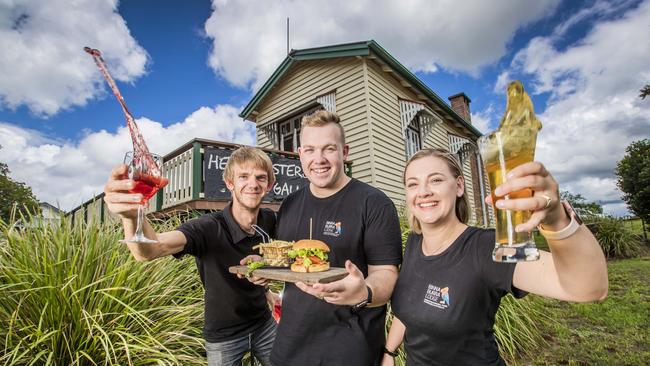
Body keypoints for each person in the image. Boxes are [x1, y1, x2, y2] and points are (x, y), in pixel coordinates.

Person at [382, 148, 609, 366]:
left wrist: (557, 220)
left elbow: (588, 288)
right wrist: (389, 352)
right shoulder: (414, 242)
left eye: (436, 180)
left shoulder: (487, 247)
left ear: (459, 185)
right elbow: (411, 306)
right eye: (413, 184)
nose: (423, 191)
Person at [246, 110, 403, 365]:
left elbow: (387, 274)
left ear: (345, 152)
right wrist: (264, 266)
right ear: (300, 154)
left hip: (350, 350)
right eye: (310, 150)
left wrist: (364, 291)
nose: (318, 159)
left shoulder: (374, 203)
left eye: (329, 149)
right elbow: (290, 265)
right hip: (289, 347)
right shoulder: (290, 204)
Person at [103, 146, 280, 366]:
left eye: (260, 178)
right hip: (224, 335)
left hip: (264, 324)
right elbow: (149, 251)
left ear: (269, 185)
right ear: (229, 183)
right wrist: (132, 217)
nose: (253, 184)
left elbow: (280, 255)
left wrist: (267, 288)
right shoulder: (206, 227)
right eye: (243, 176)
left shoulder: (269, 220)